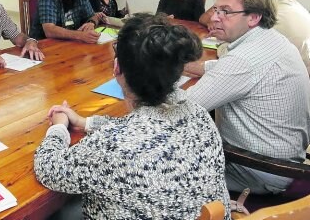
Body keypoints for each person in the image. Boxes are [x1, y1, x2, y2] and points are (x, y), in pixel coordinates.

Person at [34, 14, 231, 219]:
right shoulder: (198, 113)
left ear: (117, 67)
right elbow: (146, 129)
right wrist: (87, 123)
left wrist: (58, 127)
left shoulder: (113, 145)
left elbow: (48, 168)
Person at [186, 0, 310, 195]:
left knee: (159, 164)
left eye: (225, 11)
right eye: (216, 9)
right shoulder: (271, 40)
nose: (214, 18)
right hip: (287, 161)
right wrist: (186, 66)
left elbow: (183, 106)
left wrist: (149, 81)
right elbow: (229, 70)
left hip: (256, 170)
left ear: (253, 17)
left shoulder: (243, 60)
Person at [237, 0, 310, 76]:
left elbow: (238, 58)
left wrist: (223, 44)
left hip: (287, 80)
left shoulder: (272, 18)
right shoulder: (289, 3)